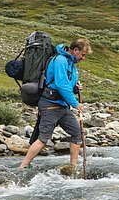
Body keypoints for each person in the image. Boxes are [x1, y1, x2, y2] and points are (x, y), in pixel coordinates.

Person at [19, 38, 91, 170]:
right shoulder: (60, 61)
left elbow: (66, 85)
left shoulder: (71, 64)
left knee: (77, 133)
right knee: (43, 138)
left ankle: (72, 167)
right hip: (50, 105)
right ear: (75, 50)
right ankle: (22, 166)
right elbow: (61, 84)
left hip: (62, 106)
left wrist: (75, 88)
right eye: (83, 54)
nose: (83, 58)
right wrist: (75, 103)